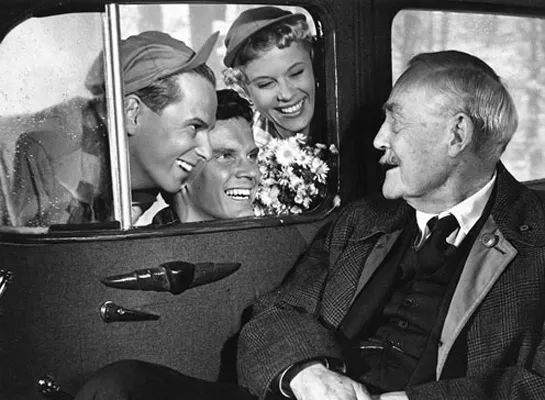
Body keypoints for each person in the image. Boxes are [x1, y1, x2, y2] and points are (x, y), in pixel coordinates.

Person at [74, 50, 545, 400]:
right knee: (121, 386)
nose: (378, 139)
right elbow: (277, 312)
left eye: (395, 122)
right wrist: (305, 372)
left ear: (457, 135)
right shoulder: (362, 220)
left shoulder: (536, 240)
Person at [11, 30, 218, 227]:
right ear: (131, 113)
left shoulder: (150, 165)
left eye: (208, 131)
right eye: (194, 127)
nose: (207, 152)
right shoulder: (57, 153)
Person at [153, 89, 259, 224]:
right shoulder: (145, 239)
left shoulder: (271, 235)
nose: (251, 172)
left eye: (252, 156)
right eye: (225, 156)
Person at [223, 6, 316, 147]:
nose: (286, 94)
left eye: (296, 73)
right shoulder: (248, 145)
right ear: (244, 91)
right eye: (266, 84)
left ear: (314, 63)